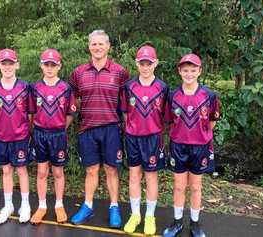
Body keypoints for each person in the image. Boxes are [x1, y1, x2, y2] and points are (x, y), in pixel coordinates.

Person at [69, 30, 129, 228]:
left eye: (101, 44)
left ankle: (114, 208)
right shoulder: (78, 73)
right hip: (87, 128)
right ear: (89, 47)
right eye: (93, 44)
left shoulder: (120, 72)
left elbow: (126, 102)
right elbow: (75, 99)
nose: (97, 48)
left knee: (111, 169)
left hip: (111, 128)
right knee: (91, 170)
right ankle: (87, 206)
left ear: (108, 46)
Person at [163, 53, 220, 237]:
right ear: (180, 71)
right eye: (185, 70)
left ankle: (195, 224)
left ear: (199, 71)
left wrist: (200, 135)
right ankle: (177, 222)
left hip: (200, 146)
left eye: (193, 70)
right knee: (179, 186)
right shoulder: (172, 95)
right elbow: (170, 121)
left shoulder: (209, 95)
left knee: (196, 186)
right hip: (178, 146)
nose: (189, 74)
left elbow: (211, 122)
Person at [121, 45, 168, 235]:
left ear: (155, 63)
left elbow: (166, 117)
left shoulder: (163, 88)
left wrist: (151, 129)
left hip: (153, 138)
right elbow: (125, 113)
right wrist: (134, 128)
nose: (145, 67)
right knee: (134, 175)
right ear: (137, 64)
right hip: (133, 137)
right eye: (142, 63)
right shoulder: (128, 87)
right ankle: (135, 214)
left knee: (151, 177)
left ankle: (149, 216)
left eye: (149, 63)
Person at [29, 48, 76, 224]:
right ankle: (42, 206)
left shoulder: (65, 88)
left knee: (57, 171)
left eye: (53, 65)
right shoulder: (34, 87)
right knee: (41, 171)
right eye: (46, 64)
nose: (49, 68)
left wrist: (61, 128)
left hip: (58, 135)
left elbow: (70, 114)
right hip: (40, 134)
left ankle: (58, 205)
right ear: (41, 66)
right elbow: (31, 113)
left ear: (59, 66)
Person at [0, 48, 31, 224]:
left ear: (17, 65)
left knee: (21, 170)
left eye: (10, 63)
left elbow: (30, 114)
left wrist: (23, 130)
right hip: (1, 137)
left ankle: (25, 206)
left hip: (20, 137)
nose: (7, 67)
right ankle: (8, 206)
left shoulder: (25, 87)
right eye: (4, 63)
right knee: (6, 171)